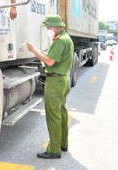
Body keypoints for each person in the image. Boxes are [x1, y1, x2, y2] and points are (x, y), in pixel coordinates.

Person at [26, 14, 74, 159]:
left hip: (55, 82)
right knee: (61, 113)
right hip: (63, 80)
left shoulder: (60, 41)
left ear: (57, 27)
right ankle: (63, 144)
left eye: (49, 27)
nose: (48, 29)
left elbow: (50, 62)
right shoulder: (66, 38)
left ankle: (54, 150)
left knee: (53, 116)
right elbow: (54, 58)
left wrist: (34, 50)